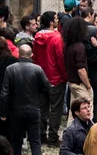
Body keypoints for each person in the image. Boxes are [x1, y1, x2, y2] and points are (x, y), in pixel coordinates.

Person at [1, 44, 52, 155]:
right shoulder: (37, 69)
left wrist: (4, 112)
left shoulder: (10, 69)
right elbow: (48, 87)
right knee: (35, 142)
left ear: (19, 54)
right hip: (34, 108)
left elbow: (4, 93)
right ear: (31, 55)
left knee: (16, 142)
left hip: (16, 110)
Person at [33, 11, 67, 144]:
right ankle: (53, 136)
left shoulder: (37, 36)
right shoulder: (57, 38)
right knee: (56, 109)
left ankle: (41, 134)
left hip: (41, 76)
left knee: (42, 107)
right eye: (56, 19)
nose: (58, 20)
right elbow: (60, 58)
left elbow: (35, 56)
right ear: (52, 22)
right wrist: (65, 75)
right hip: (55, 77)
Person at [64, 14, 94, 116]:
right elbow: (81, 69)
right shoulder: (79, 47)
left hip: (72, 83)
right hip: (80, 85)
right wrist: (88, 86)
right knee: (87, 113)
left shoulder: (68, 46)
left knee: (74, 114)